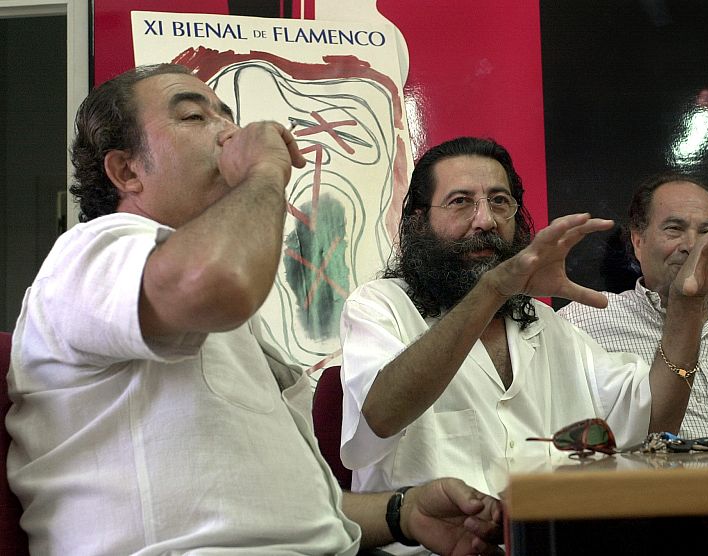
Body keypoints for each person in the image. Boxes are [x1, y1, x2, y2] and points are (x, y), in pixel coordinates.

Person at [4, 64, 503, 556]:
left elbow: (293, 512)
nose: (229, 132)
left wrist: (403, 513)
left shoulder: (227, 316)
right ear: (127, 170)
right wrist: (263, 173)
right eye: (195, 118)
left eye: (227, 116)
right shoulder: (91, 252)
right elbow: (216, 282)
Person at [338, 137, 708, 497]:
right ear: (417, 221)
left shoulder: (542, 324)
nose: (485, 220)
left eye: (499, 201)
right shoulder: (379, 306)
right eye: (460, 202)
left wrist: (687, 304)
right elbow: (380, 415)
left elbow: (654, 421)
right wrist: (492, 290)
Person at [558, 173, 708, 447]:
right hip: (648, 490)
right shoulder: (584, 320)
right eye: (674, 228)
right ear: (638, 241)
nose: (693, 246)